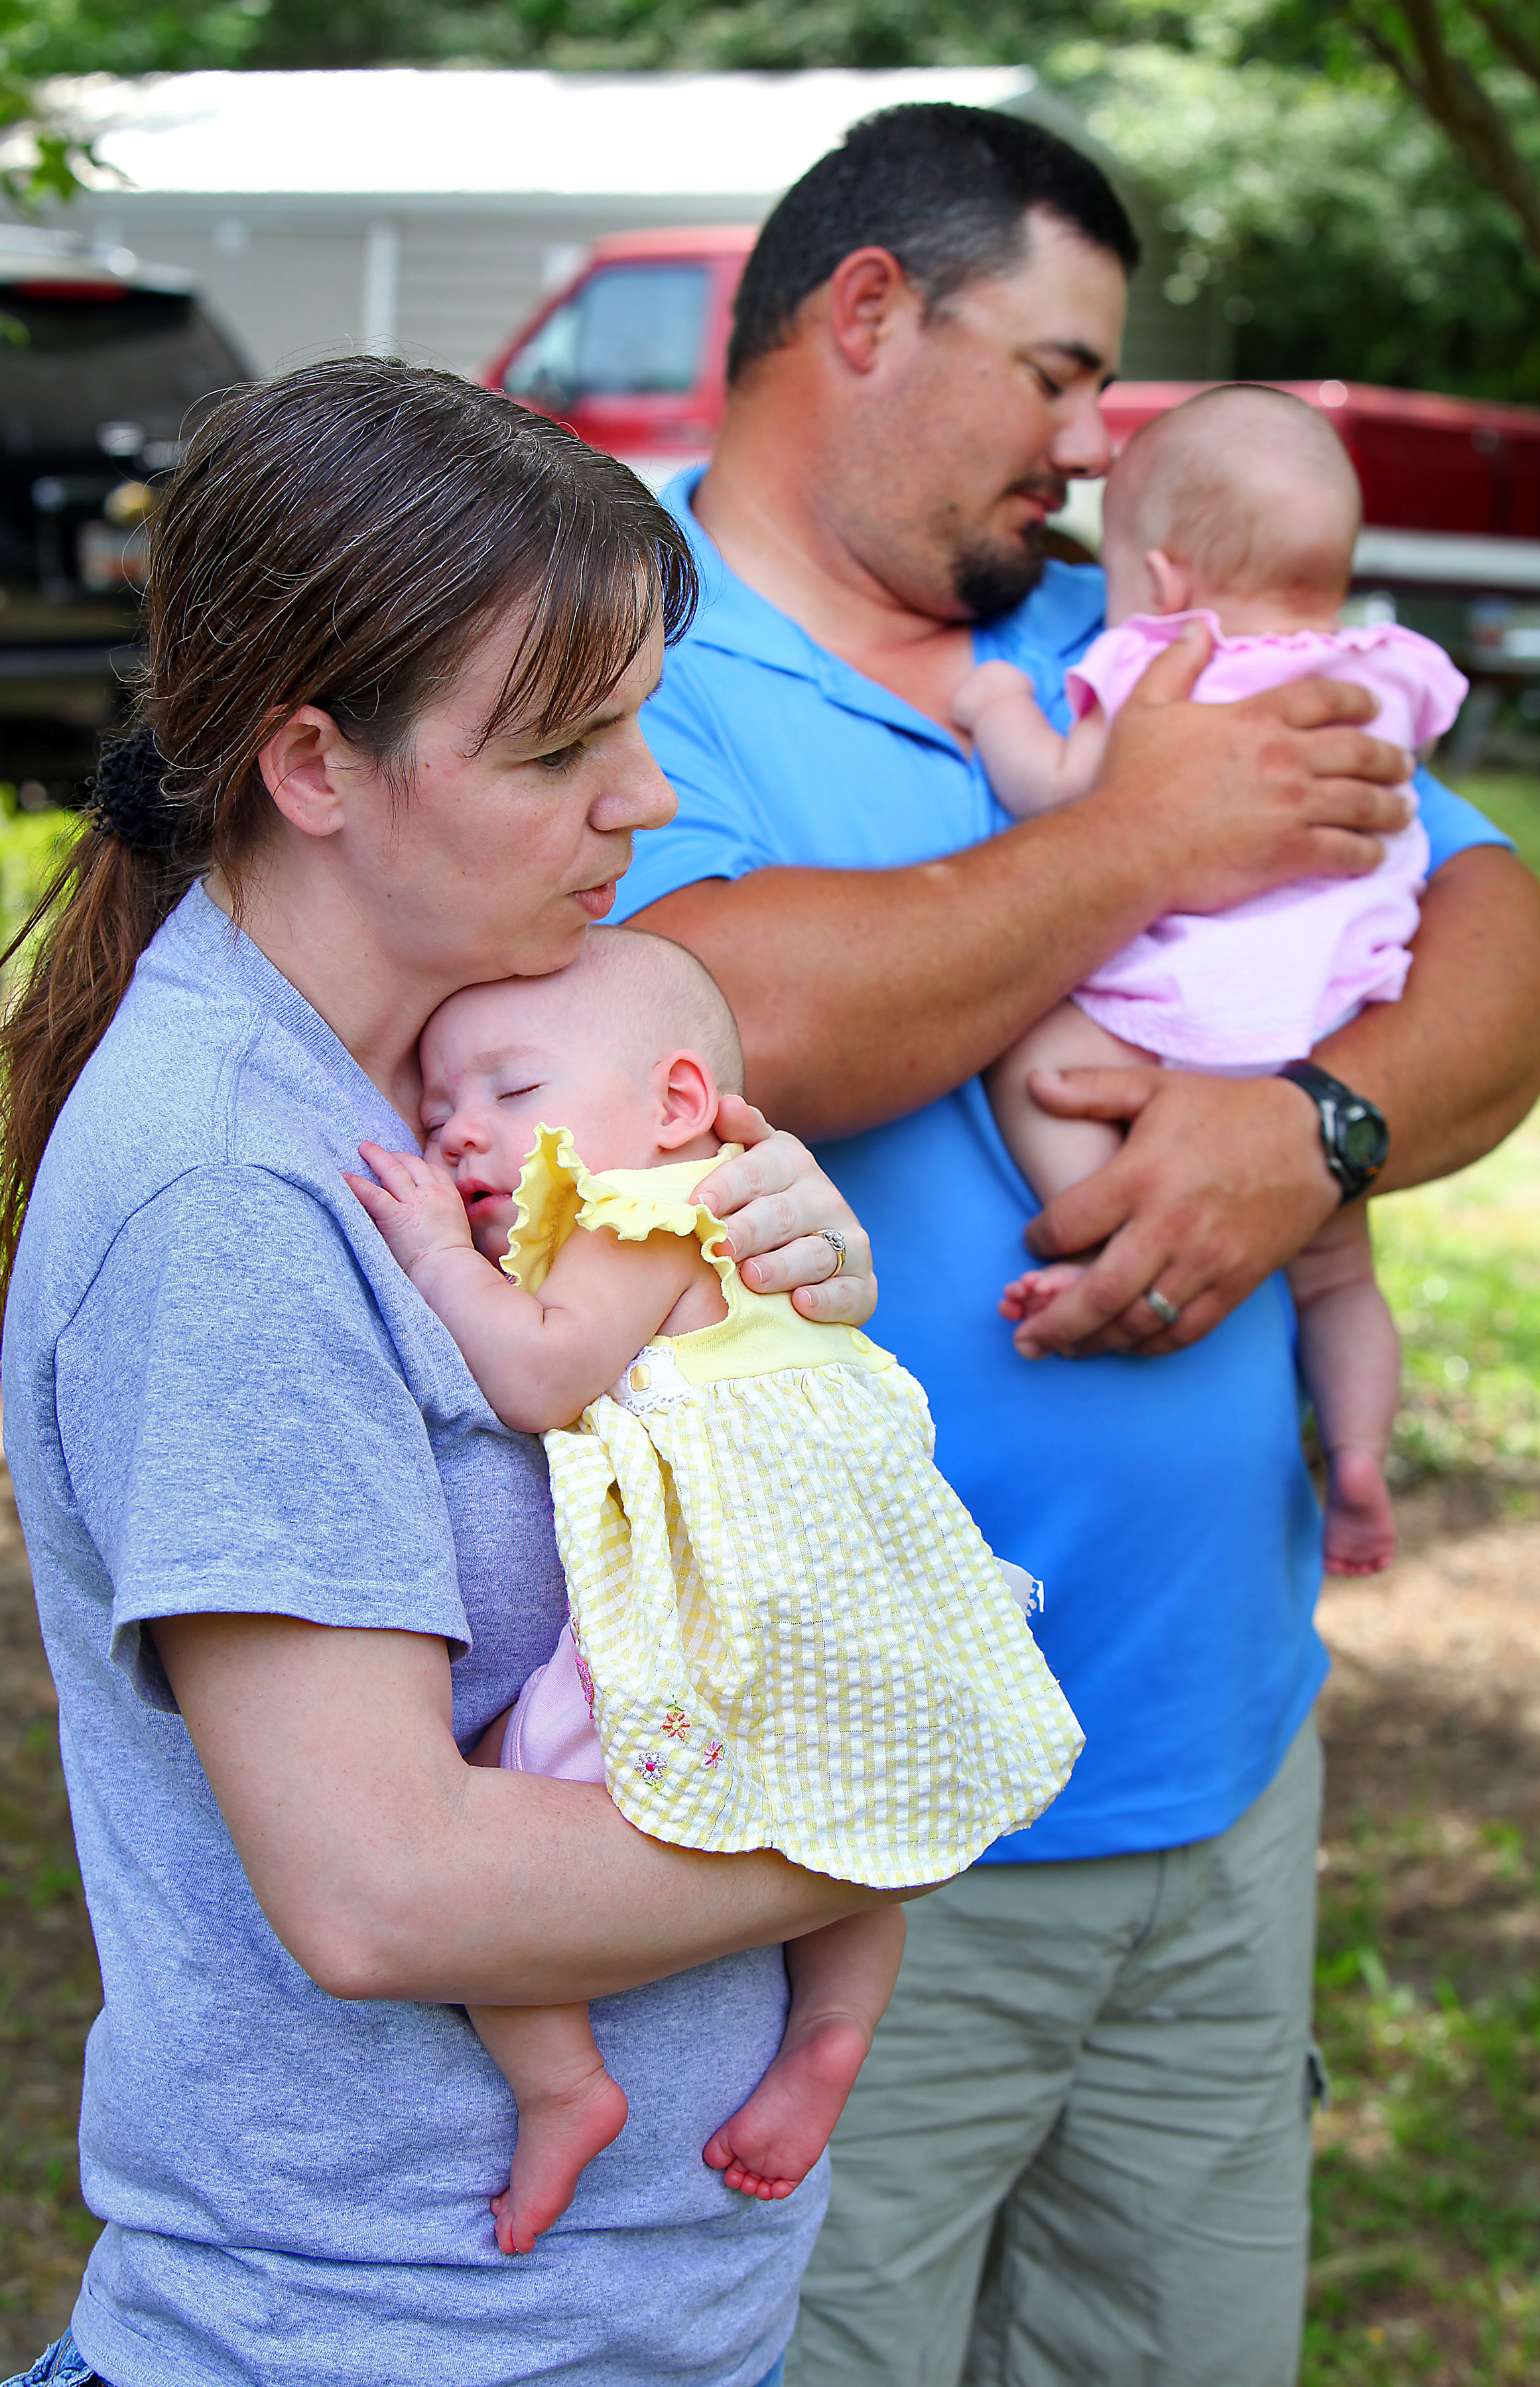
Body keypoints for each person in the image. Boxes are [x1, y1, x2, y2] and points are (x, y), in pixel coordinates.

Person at [610, 103, 1540, 2387]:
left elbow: (1499, 932)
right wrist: (1131, 848)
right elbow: (709, 1018)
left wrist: (1308, 1133)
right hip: (838, 1843)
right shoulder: (600, 610)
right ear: (863, 314)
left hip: (1219, 1779)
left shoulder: (1129, 631)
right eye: (1053, 374)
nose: (1090, 445)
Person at [0, 359, 899, 2387]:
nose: (645, 799)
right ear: (315, 765)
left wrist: (759, 1306)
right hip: (373, 2338)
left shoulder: (472, 1071)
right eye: (564, 744)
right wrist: (897, 1791)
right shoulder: (230, 1191)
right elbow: (384, 1891)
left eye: (642, 723)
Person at [346, 929, 1078, 2256]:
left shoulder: (647, 1211)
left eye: (510, 1095)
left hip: (731, 1602)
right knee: (851, 1800)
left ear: (678, 1106)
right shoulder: (751, 1216)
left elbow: (539, 1374)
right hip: (850, 1598)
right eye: (437, 1106)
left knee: (508, 1786)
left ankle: (560, 2081)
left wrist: (435, 1259)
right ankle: (836, 2024)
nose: (458, 1139)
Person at [962, 383, 1468, 1575]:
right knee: (1342, 1274)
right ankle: (1352, 1452)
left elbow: (1057, 786)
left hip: (1176, 1009)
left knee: (1022, 1033)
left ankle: (1097, 1229)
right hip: (1328, 1023)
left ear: (1165, 578)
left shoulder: (1156, 661)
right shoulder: (1386, 669)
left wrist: (994, 706)